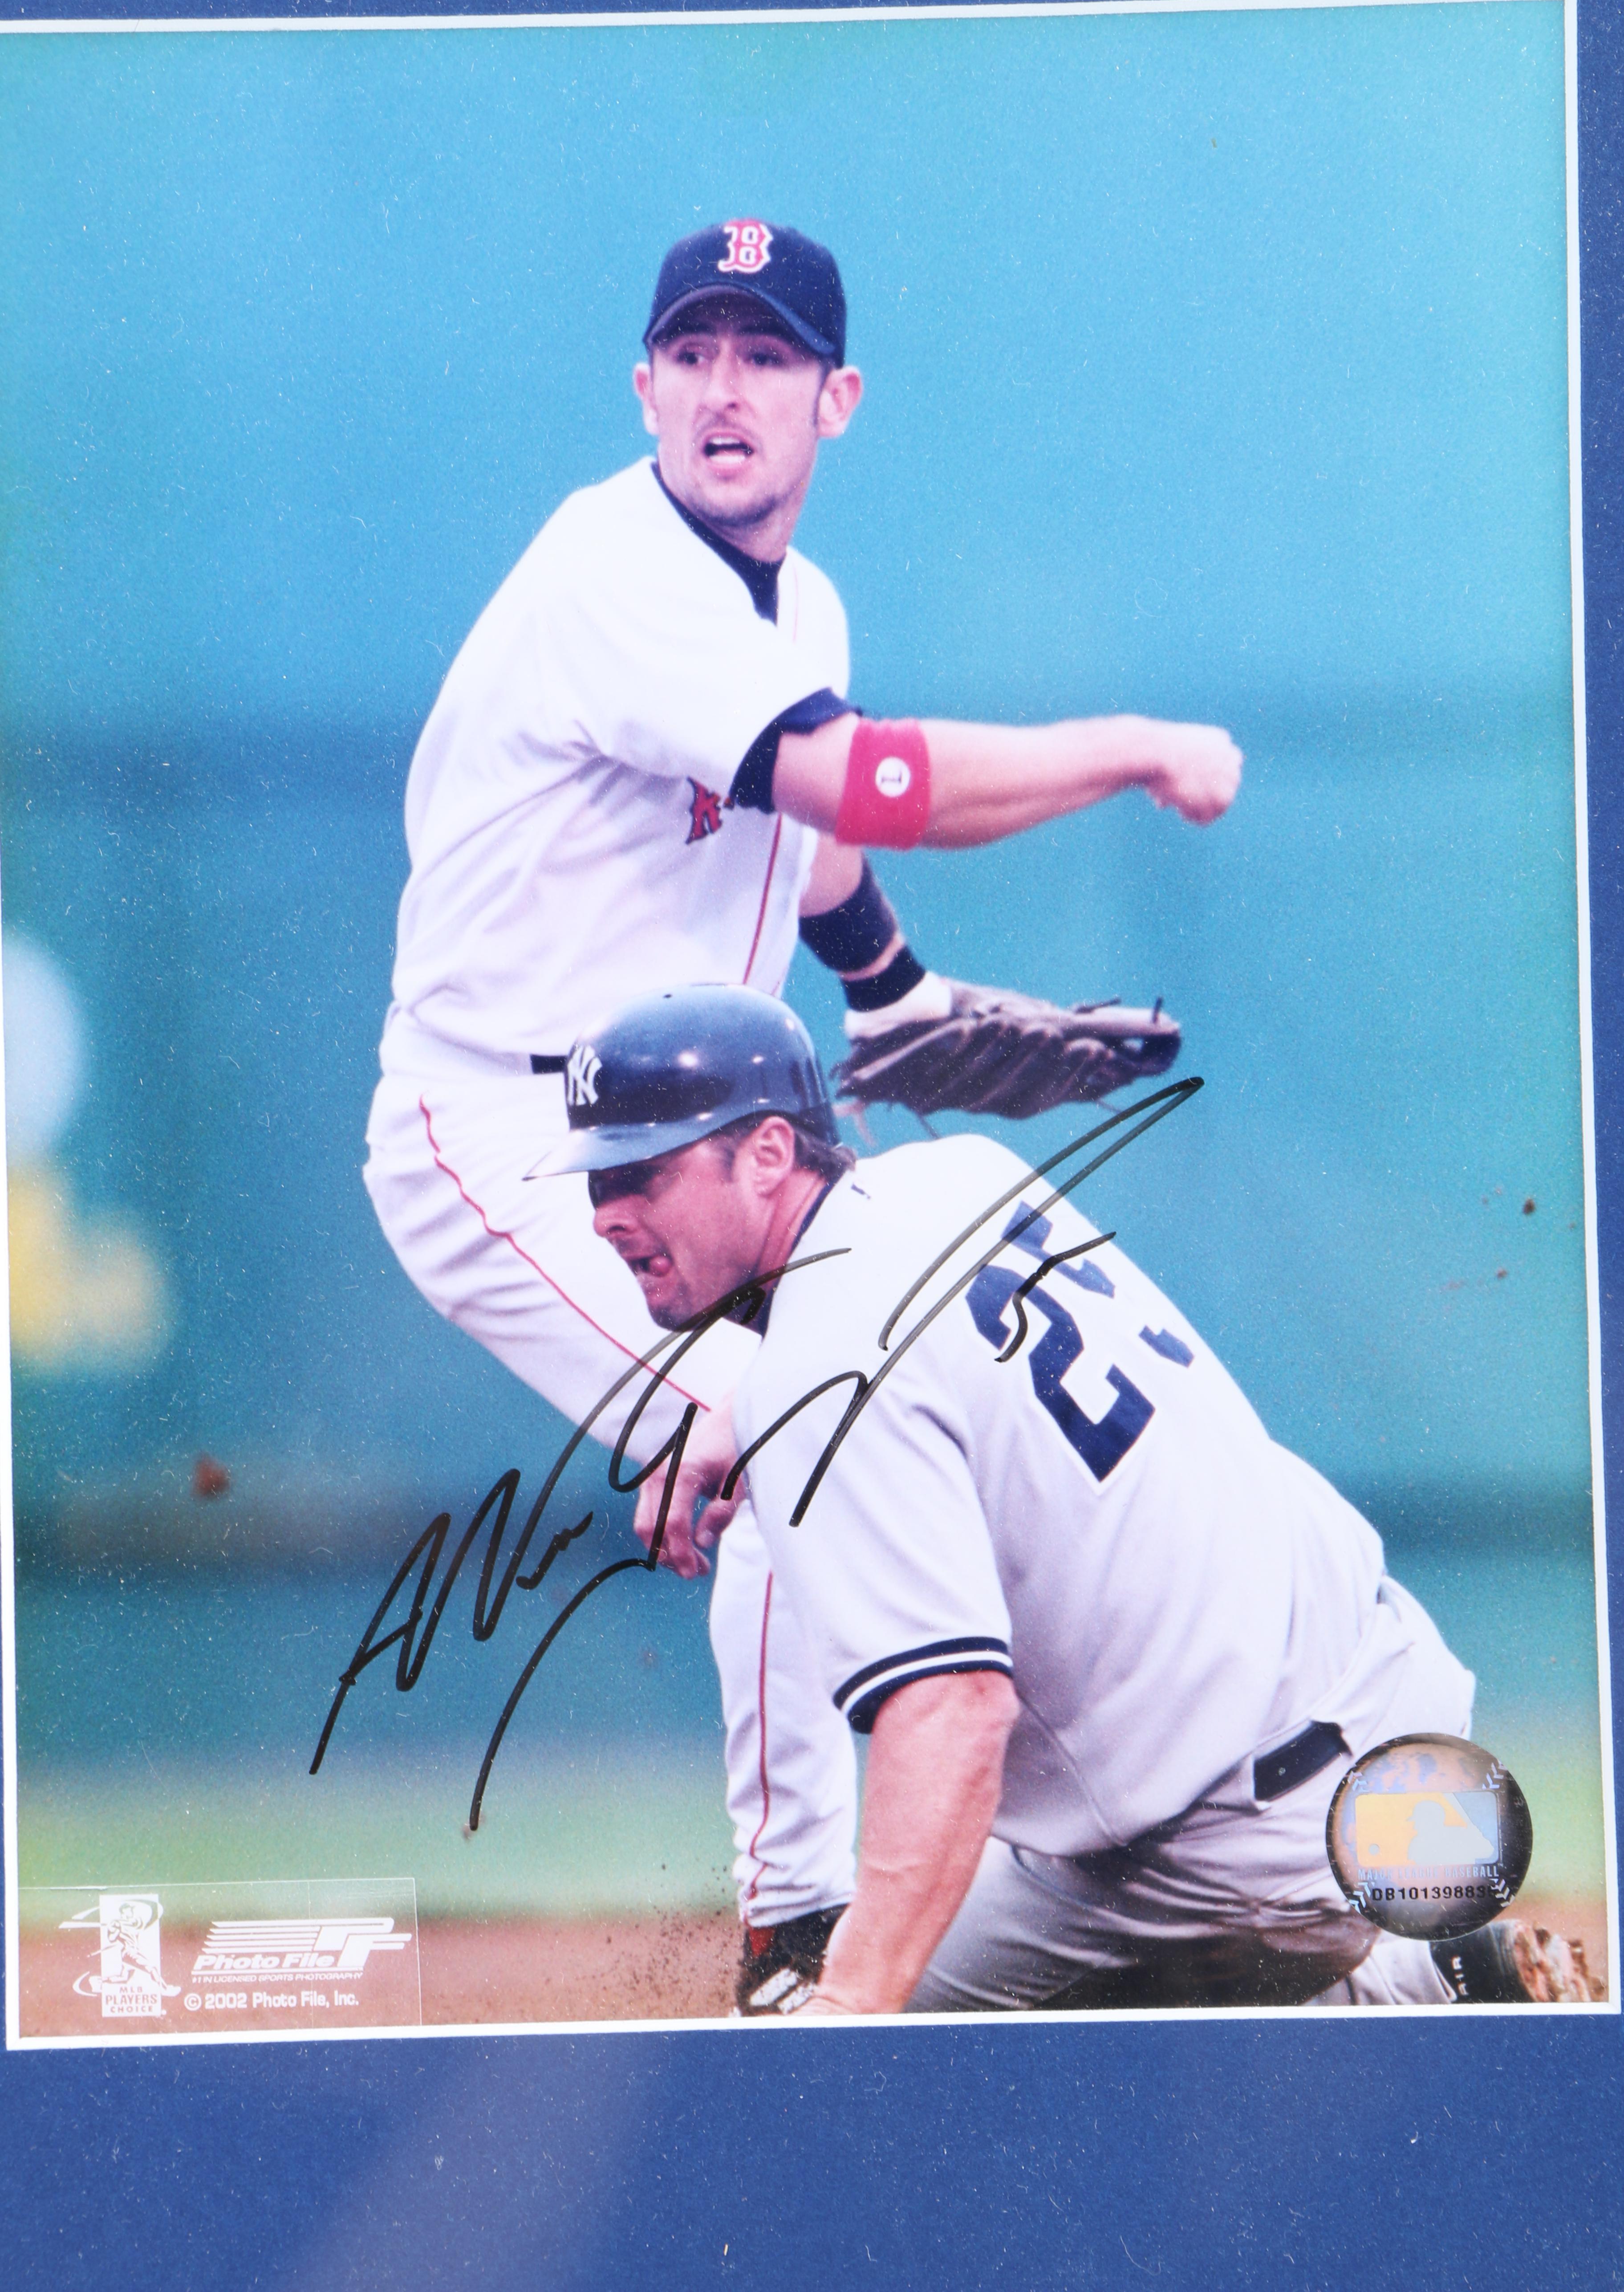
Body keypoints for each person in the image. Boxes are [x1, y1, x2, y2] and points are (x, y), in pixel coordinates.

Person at [362, 217, 1243, 2011]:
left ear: (837, 399)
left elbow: (808, 831)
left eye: (765, 356)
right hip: (503, 1143)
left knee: (875, 1429)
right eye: (690, 352)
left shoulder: (795, 603)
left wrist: (892, 988)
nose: (723, 389)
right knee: (789, 1448)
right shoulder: (616, 569)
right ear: (644, 388)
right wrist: (1133, 745)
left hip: (692, 1145)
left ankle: (980, 1875)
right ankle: (789, 1945)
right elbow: (860, 779)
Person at [543, 983, 1592, 2015]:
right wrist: (740, 1419)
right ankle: (1450, 1974)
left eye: (642, 1172)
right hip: (1394, 1712)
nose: (606, 1217)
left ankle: (1394, 1987)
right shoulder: (956, 1174)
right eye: (596, 1181)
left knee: (852, 2042)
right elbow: (893, 1355)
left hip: (1244, 1849)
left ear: (768, 1153)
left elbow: (953, 1713)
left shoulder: (820, 1379)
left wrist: (850, 2015)